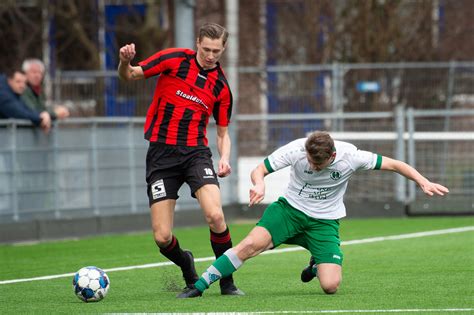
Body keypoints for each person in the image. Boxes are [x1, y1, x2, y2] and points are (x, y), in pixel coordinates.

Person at [178, 131, 449, 298]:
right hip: (289, 212)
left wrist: (422, 181)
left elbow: (394, 164)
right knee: (249, 245)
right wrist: (259, 184)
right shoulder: (297, 150)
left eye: (318, 163)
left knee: (330, 286)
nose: (313, 166)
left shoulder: (351, 156)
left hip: (324, 221)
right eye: (310, 160)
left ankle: (317, 263)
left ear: (332, 155)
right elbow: (260, 169)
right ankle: (200, 285)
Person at [117, 23, 243, 296]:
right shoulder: (173, 59)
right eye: (206, 49)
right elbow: (130, 76)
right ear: (197, 42)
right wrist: (124, 62)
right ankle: (186, 264)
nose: (210, 55)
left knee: (215, 215)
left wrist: (225, 158)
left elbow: (223, 132)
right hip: (161, 155)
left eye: (216, 51)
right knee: (162, 237)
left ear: (224, 49)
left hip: (196, 154)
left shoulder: (221, 87)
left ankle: (227, 282)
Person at [0, 69, 51, 133]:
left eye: (24, 82)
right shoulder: (3, 94)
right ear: (10, 81)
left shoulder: (13, 93)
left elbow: (24, 108)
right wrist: (40, 117)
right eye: (18, 82)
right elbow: (18, 112)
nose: (22, 86)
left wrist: (41, 115)